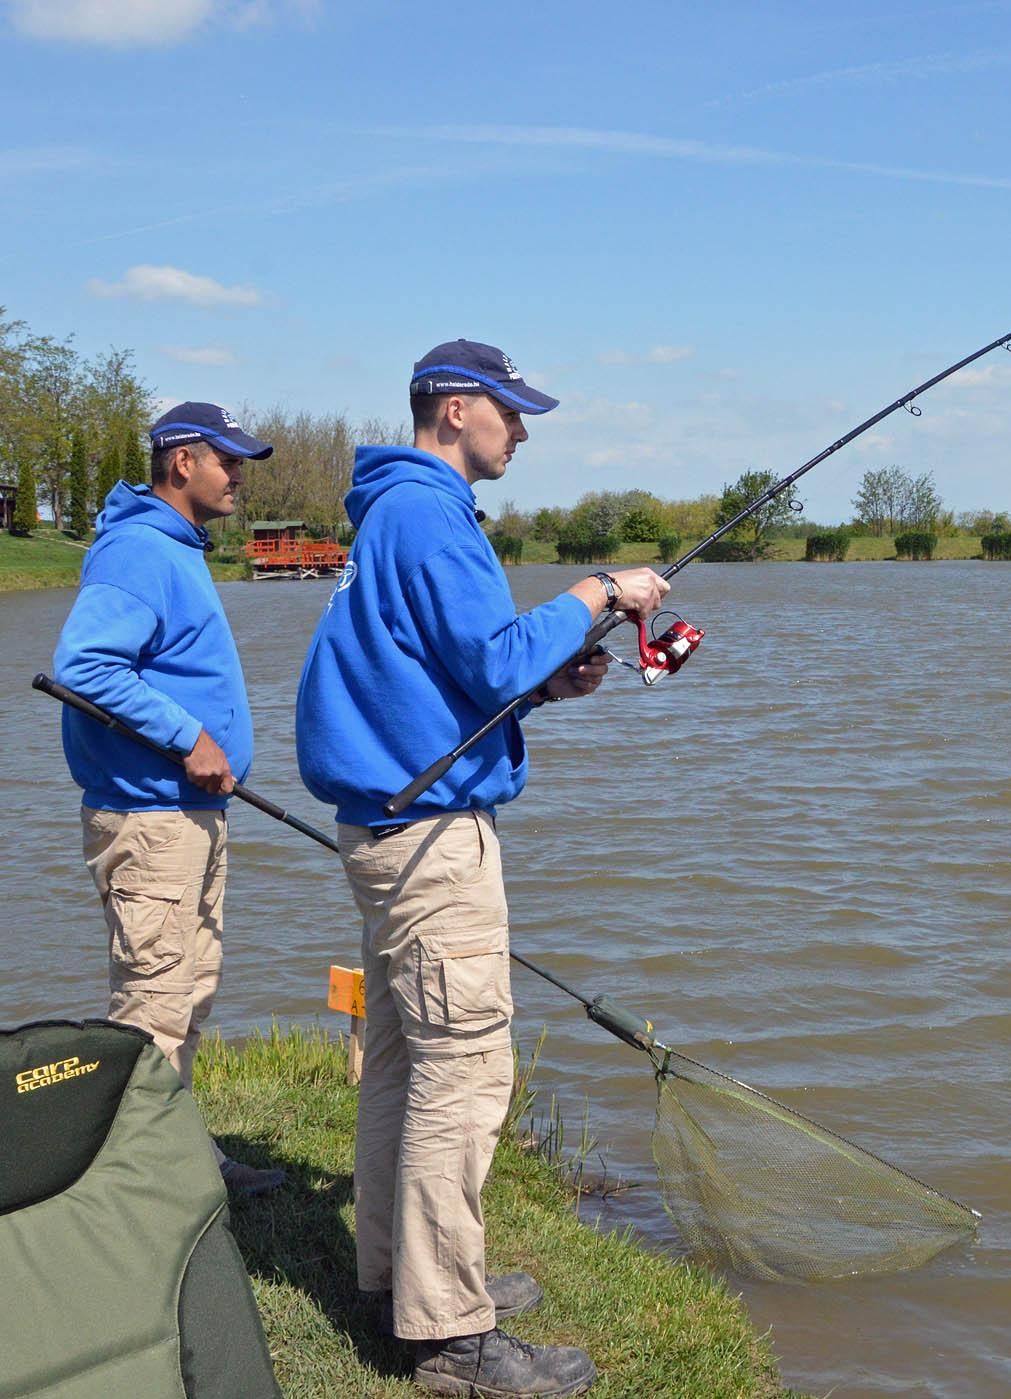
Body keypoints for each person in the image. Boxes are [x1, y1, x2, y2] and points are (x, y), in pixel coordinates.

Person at [295, 339, 668, 1398]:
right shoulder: (427, 511)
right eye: (512, 410)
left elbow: (442, 672)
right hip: (431, 845)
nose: (524, 429)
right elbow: (495, 655)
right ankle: (450, 1338)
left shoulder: (394, 512)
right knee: (463, 1074)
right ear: (457, 409)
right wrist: (601, 590)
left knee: (407, 1064)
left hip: (391, 825)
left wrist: (546, 690)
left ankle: (404, 1281)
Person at [53, 401, 286, 1197]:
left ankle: (181, 1158)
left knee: (188, 991)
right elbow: (85, 665)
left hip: (187, 816)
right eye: (230, 462)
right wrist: (191, 736)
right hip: (149, 817)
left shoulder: (177, 547)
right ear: (182, 461)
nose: (239, 478)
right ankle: (129, 1190)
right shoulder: (139, 550)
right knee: (152, 1002)